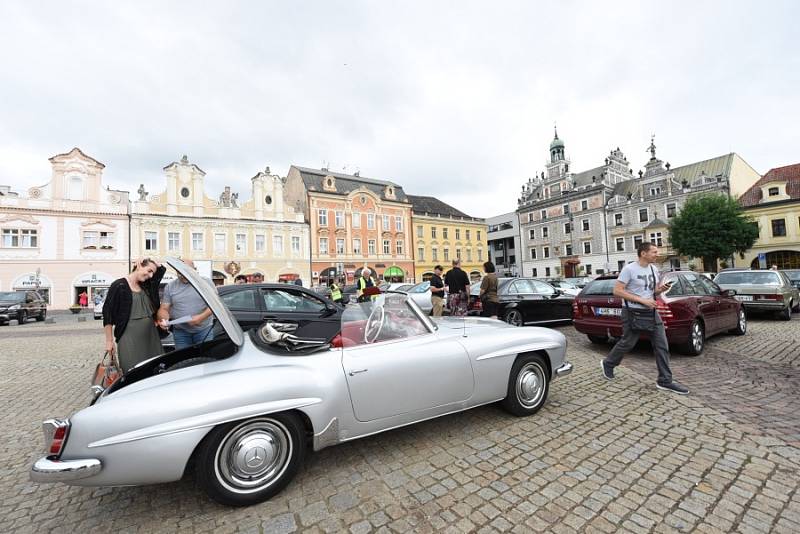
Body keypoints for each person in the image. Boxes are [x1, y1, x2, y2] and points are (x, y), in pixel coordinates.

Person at [601, 242, 689, 395]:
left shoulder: (654, 269)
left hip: (651, 312)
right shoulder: (629, 269)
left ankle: (665, 380)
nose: (657, 254)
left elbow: (651, 292)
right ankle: (608, 363)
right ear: (643, 253)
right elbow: (617, 291)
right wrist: (642, 300)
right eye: (654, 252)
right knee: (628, 343)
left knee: (662, 345)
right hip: (632, 313)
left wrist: (660, 290)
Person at [102, 258, 166, 371]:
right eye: (149, 271)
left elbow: (160, 272)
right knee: (133, 371)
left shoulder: (146, 285)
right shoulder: (119, 285)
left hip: (151, 337)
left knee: (154, 370)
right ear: (139, 265)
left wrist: (152, 260)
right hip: (129, 338)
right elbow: (108, 314)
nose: (151, 276)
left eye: (152, 273)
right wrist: (109, 341)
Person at [157, 259, 214, 350]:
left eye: (186, 272)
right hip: (180, 332)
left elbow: (215, 304)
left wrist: (201, 317)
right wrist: (164, 319)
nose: (183, 275)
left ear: (194, 269)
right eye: (179, 272)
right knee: (183, 361)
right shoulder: (170, 286)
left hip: (204, 330)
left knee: (204, 359)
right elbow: (164, 308)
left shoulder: (206, 282)